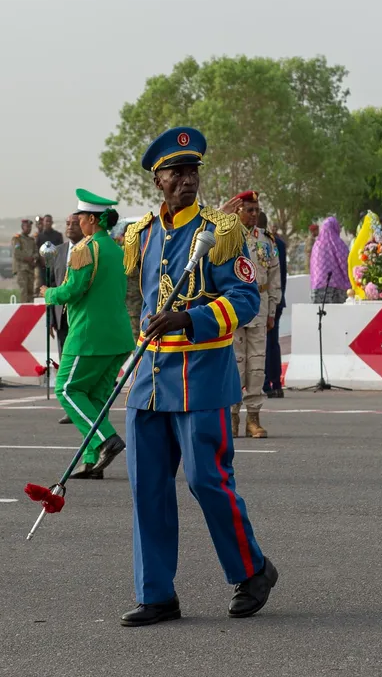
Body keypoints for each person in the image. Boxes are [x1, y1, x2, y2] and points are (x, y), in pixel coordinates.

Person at [120, 126, 275, 627]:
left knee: (207, 480)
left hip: (202, 377)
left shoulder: (222, 231)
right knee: (147, 488)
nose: (188, 179)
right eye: (177, 172)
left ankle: (252, 571)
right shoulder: (142, 234)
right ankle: (156, 593)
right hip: (150, 378)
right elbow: (137, 301)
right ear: (158, 180)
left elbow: (247, 300)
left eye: (193, 171)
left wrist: (191, 318)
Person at [39, 189, 133, 480]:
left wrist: (48, 293)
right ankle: (92, 461)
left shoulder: (85, 249)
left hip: (89, 336)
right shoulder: (118, 250)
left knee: (66, 390)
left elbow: (72, 291)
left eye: (80, 217)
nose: (77, 221)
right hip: (118, 337)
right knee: (94, 398)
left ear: (92, 219)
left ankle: (106, 440)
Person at [222, 191, 281, 439]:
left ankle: (253, 419)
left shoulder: (267, 240)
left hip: (260, 304)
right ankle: (232, 418)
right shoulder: (227, 236)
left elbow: (274, 275)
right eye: (250, 210)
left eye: (257, 210)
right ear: (238, 211)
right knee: (235, 364)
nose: (255, 214)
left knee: (257, 365)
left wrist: (273, 309)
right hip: (234, 304)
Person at [48, 213, 84, 425]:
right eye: (67, 224)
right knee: (65, 362)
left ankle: (87, 405)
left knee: (82, 364)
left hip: (82, 316)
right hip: (62, 317)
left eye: (74, 224)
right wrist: (50, 318)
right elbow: (51, 284)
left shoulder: (90, 250)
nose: (70, 227)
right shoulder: (58, 252)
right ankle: (71, 409)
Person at [262, 212, 287, 399]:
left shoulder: (268, 244)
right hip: (276, 299)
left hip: (265, 299)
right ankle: (276, 383)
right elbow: (282, 277)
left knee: (261, 345)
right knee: (273, 344)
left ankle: (265, 383)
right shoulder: (278, 243)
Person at [309, 216, 350, 304]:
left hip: (317, 288)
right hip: (336, 289)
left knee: (320, 316)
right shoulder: (338, 243)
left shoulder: (317, 245)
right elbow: (346, 262)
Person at [34, 213, 63, 293]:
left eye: (49, 221)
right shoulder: (39, 236)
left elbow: (61, 250)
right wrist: (40, 259)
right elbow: (36, 249)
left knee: (54, 286)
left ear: (52, 223)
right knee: (43, 286)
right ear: (43, 222)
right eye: (46, 221)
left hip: (55, 266)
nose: (48, 223)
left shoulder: (58, 235)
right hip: (43, 266)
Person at [12, 218, 37, 302]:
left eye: (30, 227)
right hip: (21, 269)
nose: (29, 229)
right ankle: (24, 310)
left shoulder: (32, 240)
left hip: (30, 269)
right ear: (22, 227)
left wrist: (34, 259)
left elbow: (36, 252)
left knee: (30, 291)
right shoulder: (17, 239)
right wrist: (28, 259)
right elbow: (17, 252)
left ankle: (30, 309)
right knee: (24, 291)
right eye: (27, 227)